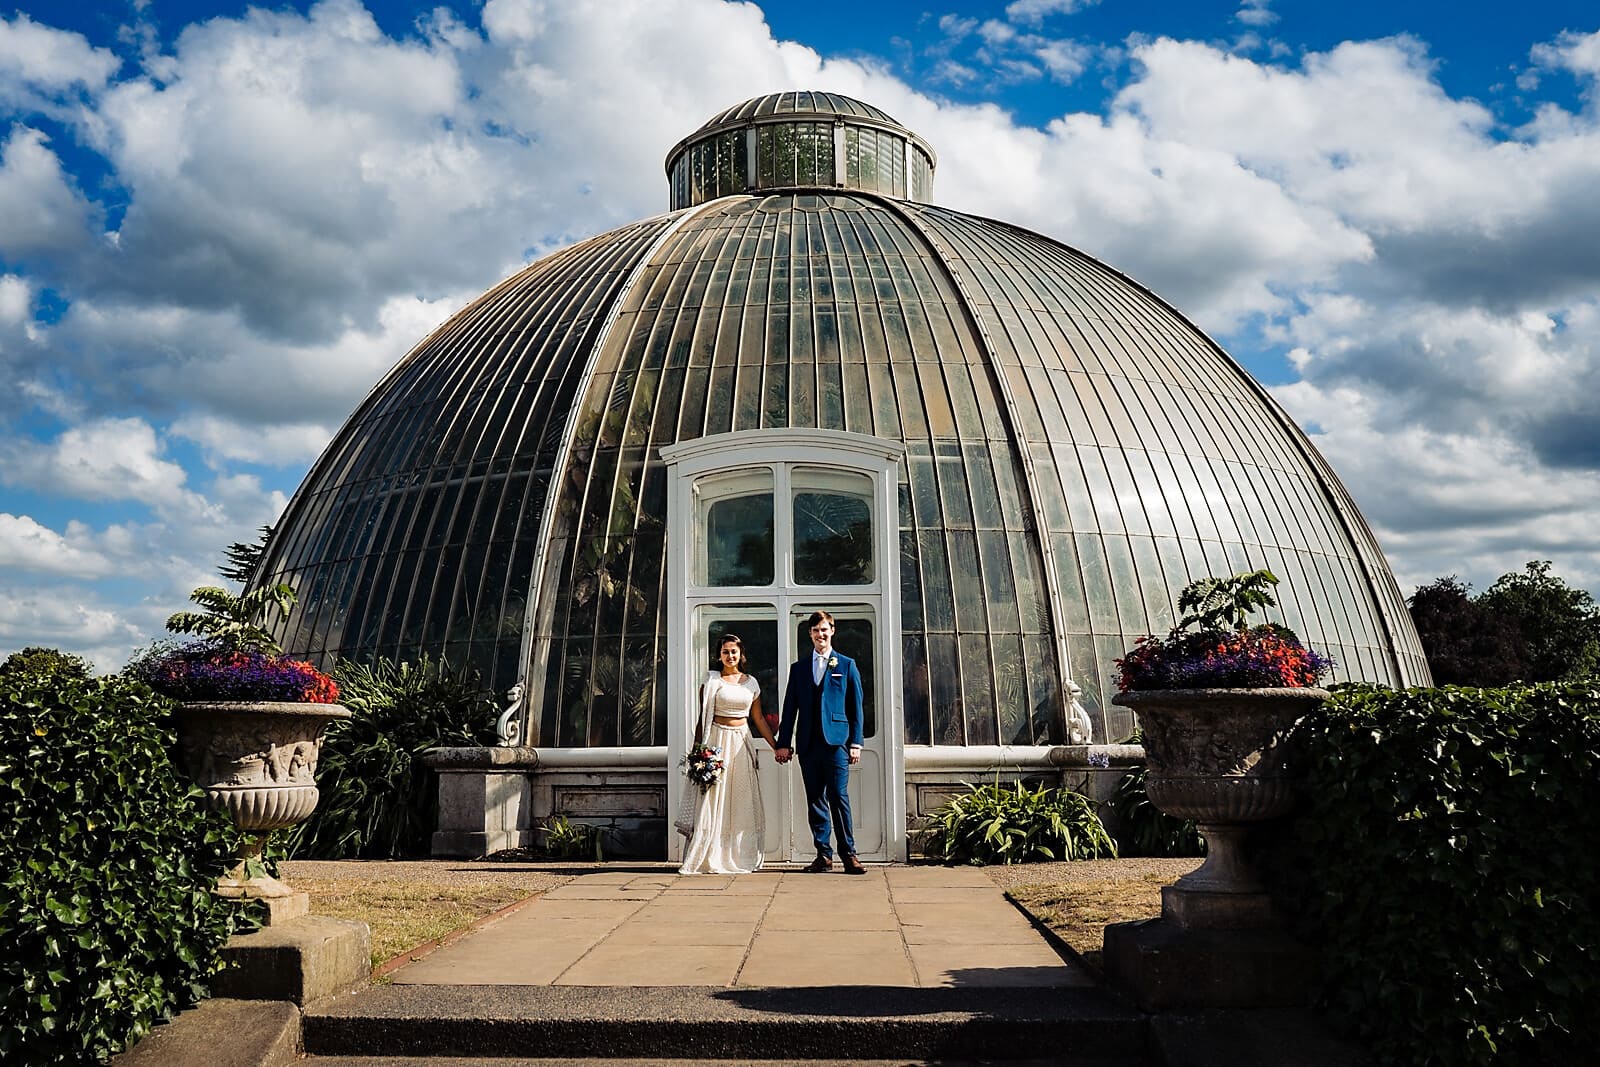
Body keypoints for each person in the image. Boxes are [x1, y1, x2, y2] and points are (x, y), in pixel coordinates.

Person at [678, 634, 781, 875]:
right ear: (719, 655)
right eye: (725, 651)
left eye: (733, 651)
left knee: (740, 799)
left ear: (741, 654)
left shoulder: (751, 683)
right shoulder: (712, 681)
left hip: (741, 743)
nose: (730, 656)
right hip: (716, 742)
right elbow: (703, 719)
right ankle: (709, 854)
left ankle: (738, 854)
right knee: (714, 799)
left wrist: (776, 745)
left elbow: (757, 718)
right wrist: (697, 753)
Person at [776, 610, 866, 875]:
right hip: (807, 743)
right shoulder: (799, 668)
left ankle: (849, 853)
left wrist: (856, 742)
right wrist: (784, 742)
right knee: (815, 799)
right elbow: (789, 707)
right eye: (816, 630)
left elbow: (856, 707)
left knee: (839, 796)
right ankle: (823, 855)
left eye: (824, 629)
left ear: (832, 631)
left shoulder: (846, 665)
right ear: (810, 634)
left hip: (836, 742)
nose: (820, 634)